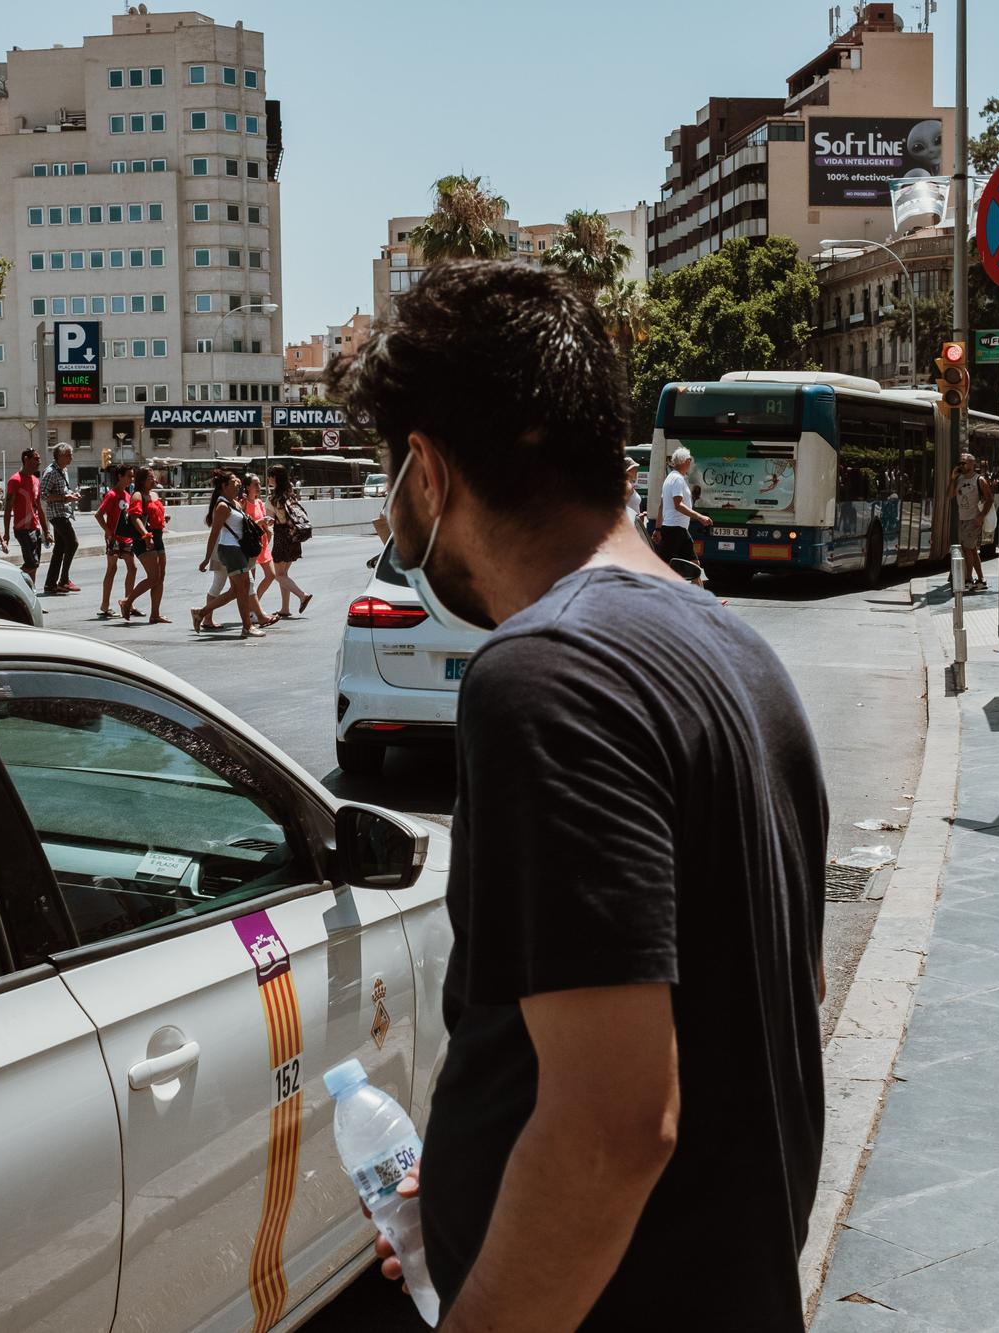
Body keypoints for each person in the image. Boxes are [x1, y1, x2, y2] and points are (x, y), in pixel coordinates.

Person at [337, 260, 825, 1331]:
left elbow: (612, 1127)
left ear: (426, 471)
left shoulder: (546, 674)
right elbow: (743, 1019)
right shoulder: (735, 649)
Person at [190, 469, 265, 637]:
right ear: (224, 486)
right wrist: (206, 558)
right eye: (234, 482)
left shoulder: (235, 503)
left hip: (239, 549)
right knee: (243, 588)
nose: (238, 484)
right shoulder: (222, 506)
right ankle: (247, 627)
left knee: (236, 590)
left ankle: (200, 613)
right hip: (230, 550)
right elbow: (214, 533)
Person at [260, 465, 314, 618]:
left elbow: (269, 521)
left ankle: (302, 595)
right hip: (294, 536)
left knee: (279, 575)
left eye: (270, 476)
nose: (268, 479)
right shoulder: (290, 495)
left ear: (274, 477)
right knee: (284, 573)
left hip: (282, 537)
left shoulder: (272, 498)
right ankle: (285, 608)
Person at [121, 468, 171, 623]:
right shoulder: (137, 495)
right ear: (142, 480)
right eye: (150, 478)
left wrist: (163, 519)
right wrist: (145, 535)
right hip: (144, 539)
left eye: (154, 477)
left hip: (158, 536)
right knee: (153, 577)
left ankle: (155, 614)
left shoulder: (154, 495)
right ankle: (127, 602)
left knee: (160, 576)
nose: (154, 480)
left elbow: (154, 514)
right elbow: (135, 517)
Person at [944, 452, 993, 590]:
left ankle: (968, 579)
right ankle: (981, 580)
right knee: (971, 550)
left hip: (974, 519)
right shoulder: (959, 479)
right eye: (960, 462)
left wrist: (981, 516)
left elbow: (990, 499)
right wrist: (953, 478)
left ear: (972, 464)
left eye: (964, 462)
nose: (961, 465)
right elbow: (949, 495)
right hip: (963, 519)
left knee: (967, 549)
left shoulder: (979, 480)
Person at [95, 465, 139, 620]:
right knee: (112, 569)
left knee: (132, 568)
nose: (131, 479)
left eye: (132, 476)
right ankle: (105, 605)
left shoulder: (127, 495)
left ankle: (128, 602)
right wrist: (108, 531)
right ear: (120, 476)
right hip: (114, 538)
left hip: (126, 538)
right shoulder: (112, 494)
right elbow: (99, 514)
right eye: (129, 476)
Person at [657, 446, 711, 564]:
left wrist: (657, 528)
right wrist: (699, 516)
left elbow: (662, 506)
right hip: (674, 529)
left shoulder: (670, 478)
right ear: (686, 461)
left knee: (695, 565)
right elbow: (678, 504)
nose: (690, 463)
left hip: (678, 529)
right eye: (690, 460)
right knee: (664, 565)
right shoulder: (677, 479)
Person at [240, 473, 281, 627]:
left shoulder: (259, 502)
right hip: (250, 545)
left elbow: (263, 523)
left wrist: (268, 527)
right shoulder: (243, 503)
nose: (259, 486)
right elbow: (243, 526)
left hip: (261, 543)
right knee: (251, 582)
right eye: (256, 484)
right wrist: (260, 522)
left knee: (271, 575)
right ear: (248, 486)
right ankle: (253, 612)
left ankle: (254, 607)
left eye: (259, 484)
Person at [41, 444, 81, 595]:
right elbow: (43, 495)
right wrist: (65, 498)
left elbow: (63, 490)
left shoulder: (62, 470)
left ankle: (50, 584)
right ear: (60, 456)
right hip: (56, 514)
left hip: (63, 512)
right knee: (73, 543)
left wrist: (71, 495)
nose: (71, 457)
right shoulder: (50, 472)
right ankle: (63, 580)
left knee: (59, 549)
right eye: (69, 455)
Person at [5, 449, 46, 580]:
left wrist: (46, 531)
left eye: (39, 459)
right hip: (22, 529)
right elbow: (7, 508)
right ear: (26, 460)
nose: (39, 462)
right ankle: (12, 580)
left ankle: (31, 591)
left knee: (35, 564)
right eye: (36, 459)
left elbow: (39, 507)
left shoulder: (36, 480)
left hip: (35, 527)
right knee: (31, 563)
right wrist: (6, 533)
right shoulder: (15, 480)